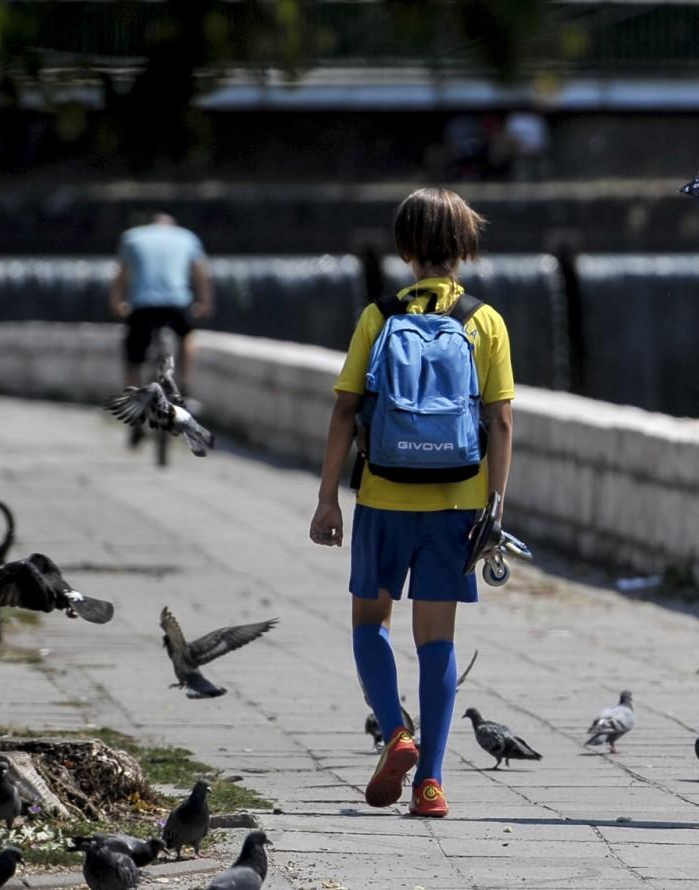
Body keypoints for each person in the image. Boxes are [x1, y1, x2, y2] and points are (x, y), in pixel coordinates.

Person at [308, 187, 515, 818]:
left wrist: (327, 500)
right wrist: (495, 509)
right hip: (456, 503)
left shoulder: (378, 316)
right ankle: (430, 783)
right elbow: (500, 425)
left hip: (384, 495)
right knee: (437, 640)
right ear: (466, 249)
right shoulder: (484, 320)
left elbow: (346, 409)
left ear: (404, 250)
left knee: (370, 623)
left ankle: (395, 731)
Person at [110, 213, 213, 391]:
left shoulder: (132, 237)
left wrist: (117, 303)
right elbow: (200, 274)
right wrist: (205, 303)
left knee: (134, 351)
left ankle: (130, 393)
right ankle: (186, 385)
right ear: (172, 225)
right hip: (177, 303)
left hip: (143, 304)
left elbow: (121, 275)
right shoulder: (187, 237)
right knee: (187, 336)